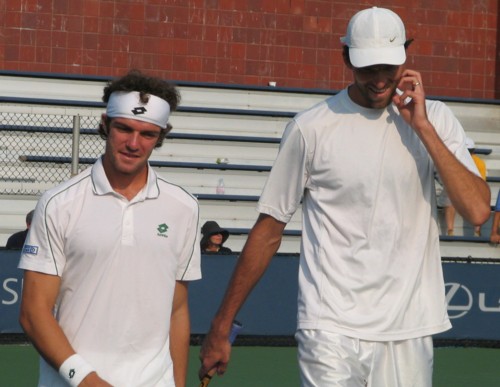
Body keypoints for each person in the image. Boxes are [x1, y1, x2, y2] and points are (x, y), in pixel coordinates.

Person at [199, 7, 490, 387]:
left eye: (389, 66)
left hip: (409, 326)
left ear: (406, 54)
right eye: (368, 68)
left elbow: (478, 210)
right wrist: (221, 326)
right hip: (329, 325)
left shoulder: (435, 118)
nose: (380, 79)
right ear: (346, 59)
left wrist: (422, 127)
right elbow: (269, 229)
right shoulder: (311, 129)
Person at [18, 70, 201, 387]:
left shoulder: (184, 207)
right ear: (105, 124)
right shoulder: (58, 203)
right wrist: (86, 380)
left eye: (147, 134)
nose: (133, 143)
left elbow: (177, 310)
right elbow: (34, 312)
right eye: (124, 129)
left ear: (162, 135)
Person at [443, 137, 487, 236]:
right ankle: (450, 230)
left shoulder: (479, 163)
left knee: (479, 199)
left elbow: (480, 182)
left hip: (472, 190)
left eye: (469, 151)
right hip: (458, 188)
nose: (468, 154)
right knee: (450, 197)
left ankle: (477, 231)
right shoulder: (456, 160)